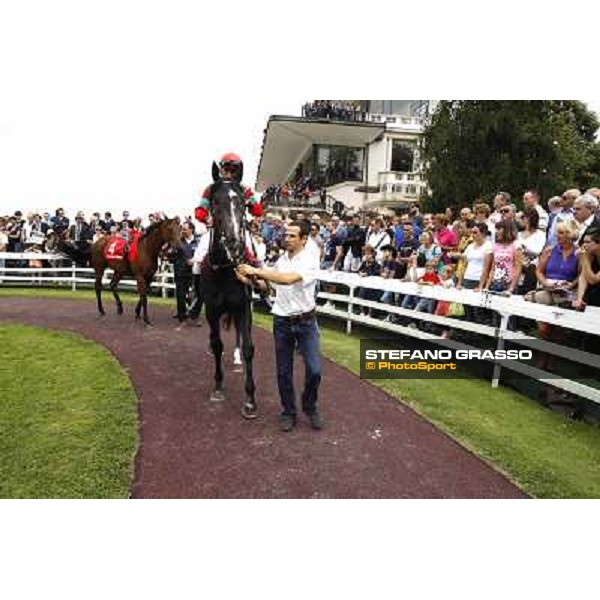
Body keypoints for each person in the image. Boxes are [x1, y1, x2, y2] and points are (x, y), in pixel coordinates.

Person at [237, 220, 323, 432]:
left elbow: (287, 280)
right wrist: (248, 279)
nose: (287, 238)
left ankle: (309, 406)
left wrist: (256, 270)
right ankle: (288, 412)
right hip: (282, 322)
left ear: (304, 239)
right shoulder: (281, 260)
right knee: (283, 372)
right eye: (286, 235)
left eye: (292, 236)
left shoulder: (310, 259)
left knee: (315, 370)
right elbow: (268, 286)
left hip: (306, 322)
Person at [194, 152, 263, 228]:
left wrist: (252, 205)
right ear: (221, 170)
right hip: (216, 227)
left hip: (239, 227)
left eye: (233, 171)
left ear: (238, 172)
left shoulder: (245, 189)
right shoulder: (210, 189)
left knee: (253, 240)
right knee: (203, 239)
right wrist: (206, 218)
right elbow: (200, 210)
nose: (229, 174)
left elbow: (258, 211)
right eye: (226, 170)